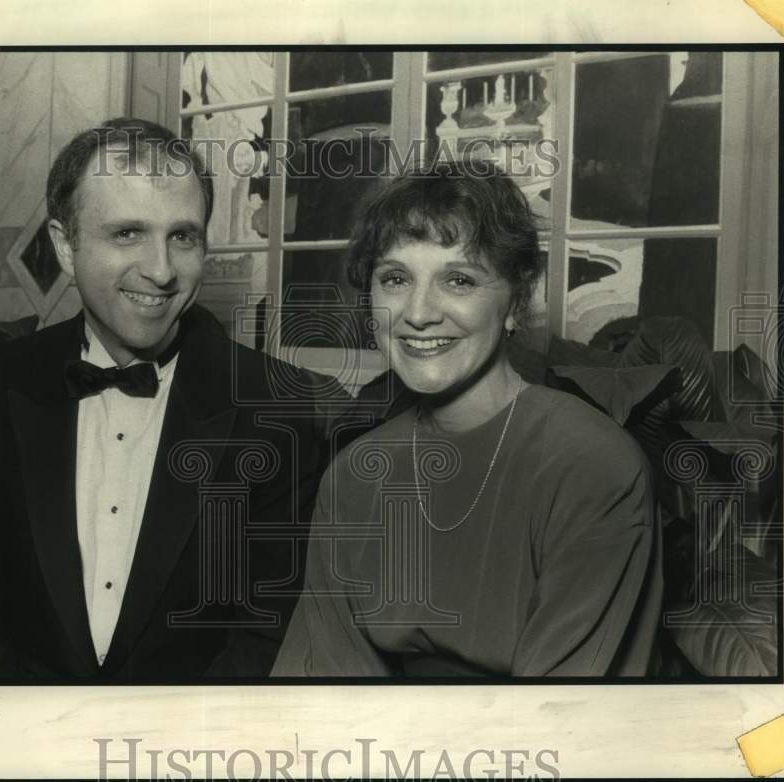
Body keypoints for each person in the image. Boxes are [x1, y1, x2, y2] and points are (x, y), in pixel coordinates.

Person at [0, 118, 328, 681]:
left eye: (182, 236)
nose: (161, 271)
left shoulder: (275, 406)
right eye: (127, 233)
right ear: (66, 246)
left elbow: (268, 636)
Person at [273, 164, 663, 677]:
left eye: (458, 279)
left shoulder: (591, 466)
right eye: (395, 278)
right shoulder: (352, 475)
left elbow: (562, 721)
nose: (418, 313)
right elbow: (320, 686)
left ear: (516, 300)